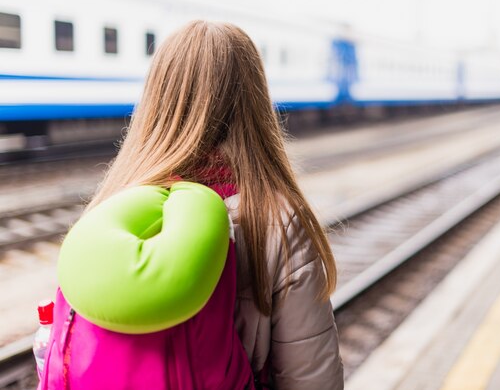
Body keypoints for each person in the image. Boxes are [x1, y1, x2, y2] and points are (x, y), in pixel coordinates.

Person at [42, 20, 344, 390]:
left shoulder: (115, 207)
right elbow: (311, 378)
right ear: (255, 104)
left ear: (155, 99)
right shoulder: (276, 219)